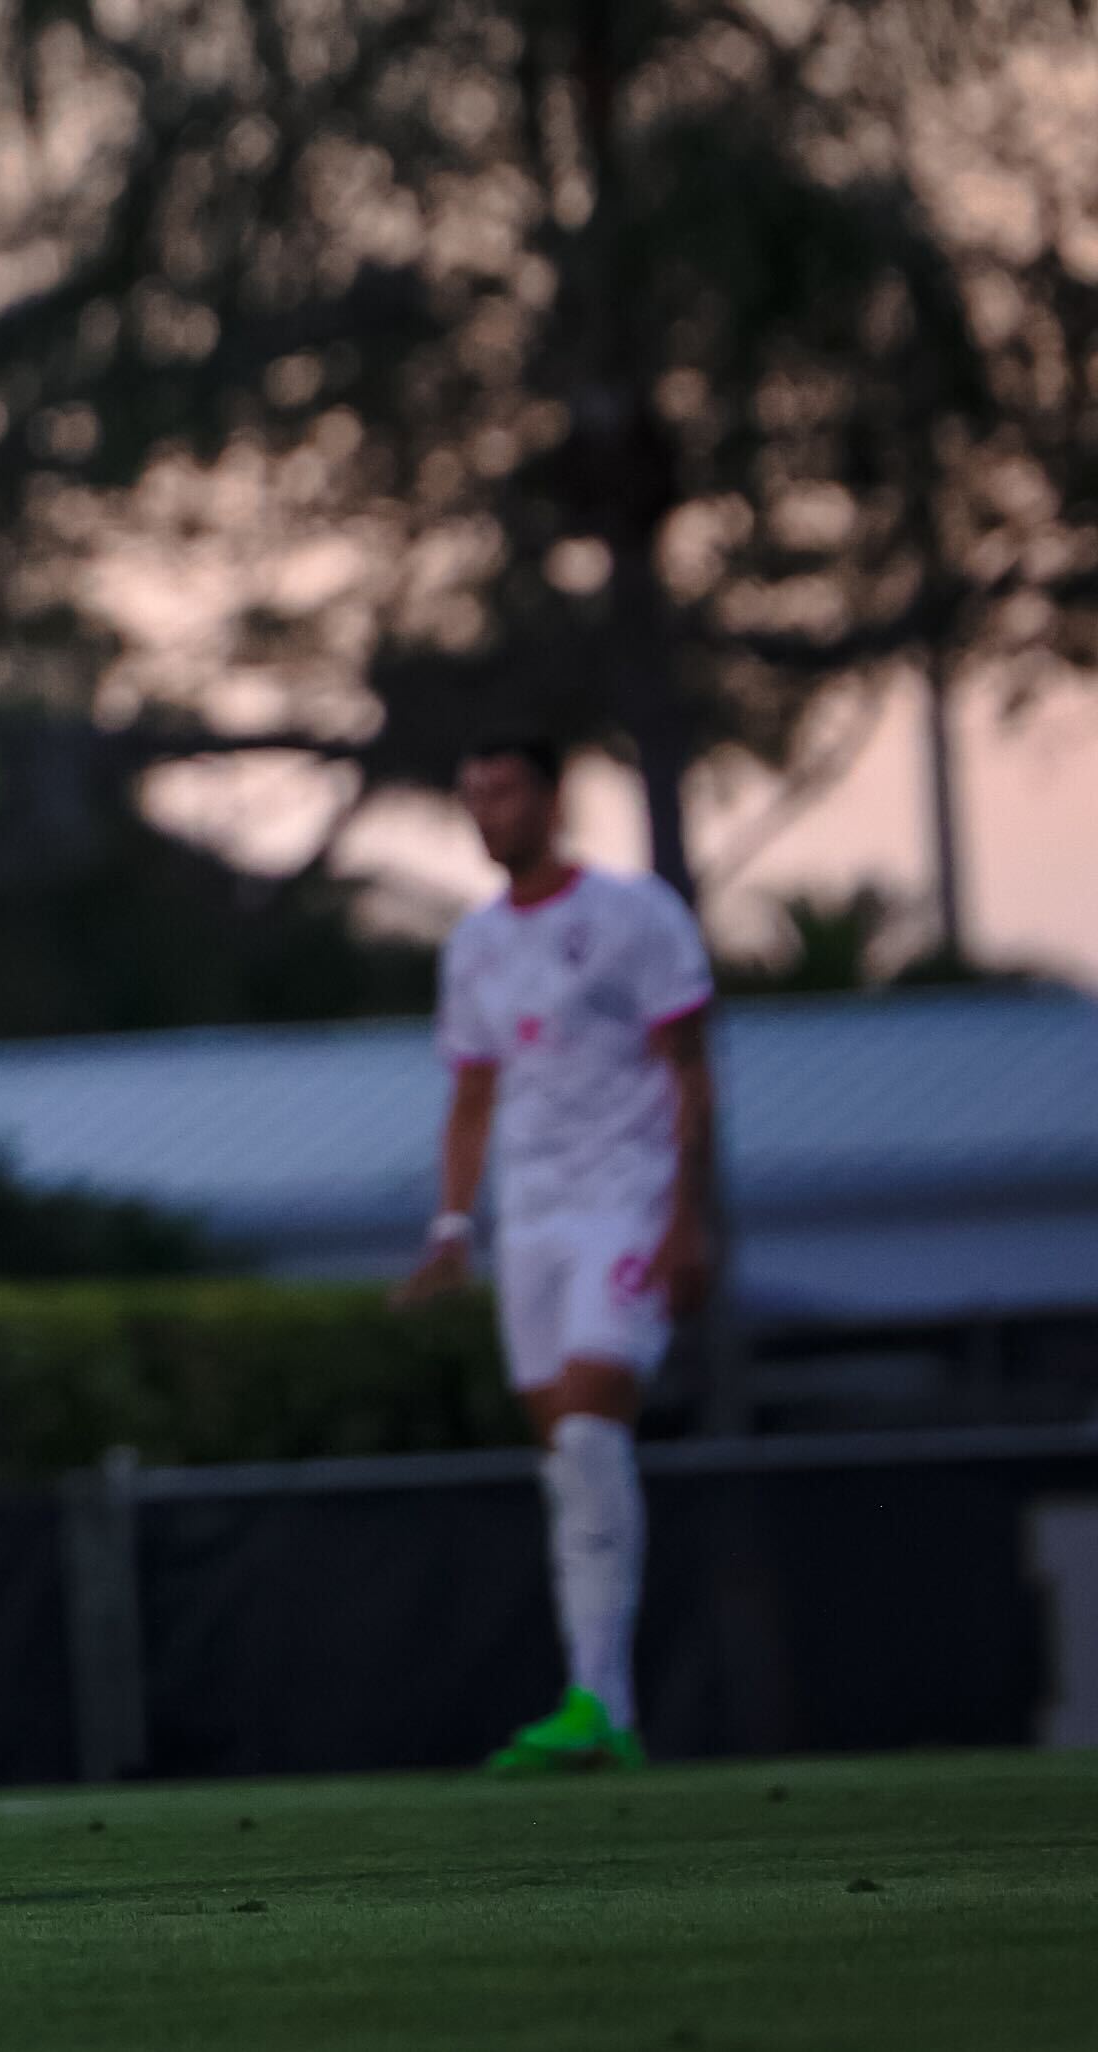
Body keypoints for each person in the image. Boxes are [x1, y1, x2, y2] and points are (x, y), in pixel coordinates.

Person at [398, 735, 717, 1775]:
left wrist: (687, 1218)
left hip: (623, 1209)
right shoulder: (477, 942)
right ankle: (593, 1701)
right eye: (473, 793)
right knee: (565, 1464)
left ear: (552, 800)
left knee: (587, 1441)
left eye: (505, 790)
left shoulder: (635, 915)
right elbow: (473, 1093)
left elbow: (687, 1069)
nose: (488, 810)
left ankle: (602, 1699)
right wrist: (453, 1228)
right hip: (528, 1223)